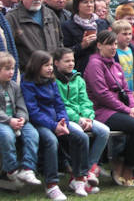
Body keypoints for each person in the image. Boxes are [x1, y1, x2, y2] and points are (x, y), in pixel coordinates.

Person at [84, 30, 134, 186]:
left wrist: (133, 106)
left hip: (121, 109)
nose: (113, 48)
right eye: (109, 44)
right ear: (99, 45)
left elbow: (126, 90)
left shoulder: (116, 65)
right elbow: (102, 95)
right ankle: (126, 167)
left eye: (115, 44)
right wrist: (127, 110)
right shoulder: (94, 64)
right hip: (102, 112)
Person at [22, 50, 93, 198]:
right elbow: (33, 111)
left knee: (81, 137)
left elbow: (59, 105)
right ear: (36, 66)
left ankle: (79, 178)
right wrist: (54, 126)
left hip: (57, 122)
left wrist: (63, 122)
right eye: (46, 65)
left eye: (50, 65)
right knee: (51, 141)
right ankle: (51, 185)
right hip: (39, 123)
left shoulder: (51, 81)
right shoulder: (28, 83)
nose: (49, 68)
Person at [53, 47, 109, 186]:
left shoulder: (78, 79)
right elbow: (61, 105)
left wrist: (88, 117)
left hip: (83, 117)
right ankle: (80, 175)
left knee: (104, 131)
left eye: (72, 60)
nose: (71, 63)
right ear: (56, 63)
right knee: (79, 134)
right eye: (66, 61)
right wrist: (78, 119)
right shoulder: (54, 81)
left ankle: (89, 168)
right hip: (64, 119)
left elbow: (85, 101)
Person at [0, 52, 41, 187]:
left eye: (12, 69)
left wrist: (22, 118)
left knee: (32, 134)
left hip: (16, 120)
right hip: (3, 122)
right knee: (7, 135)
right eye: (7, 69)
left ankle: (28, 169)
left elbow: (21, 105)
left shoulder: (14, 86)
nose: (11, 72)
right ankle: (11, 169)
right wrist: (9, 121)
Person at [6, 0, 63, 73]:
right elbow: (8, 49)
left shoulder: (50, 14)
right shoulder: (12, 18)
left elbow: (60, 41)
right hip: (27, 74)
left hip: (51, 73)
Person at [61, 0, 110, 74]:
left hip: (102, 67)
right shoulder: (68, 26)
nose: (89, 5)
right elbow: (64, 52)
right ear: (77, 5)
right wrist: (82, 45)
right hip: (81, 69)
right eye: (85, 2)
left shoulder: (102, 23)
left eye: (91, 2)